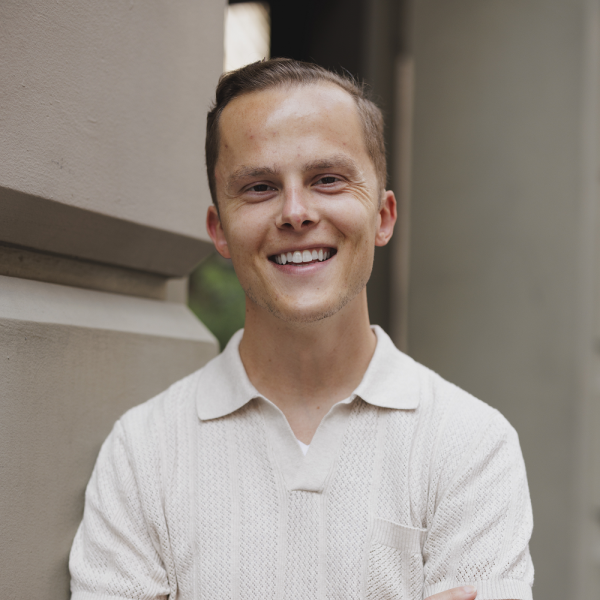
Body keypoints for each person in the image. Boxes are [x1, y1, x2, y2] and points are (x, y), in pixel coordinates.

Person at [69, 58, 534, 600]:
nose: (295, 212)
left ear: (383, 217)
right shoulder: (142, 452)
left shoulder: (471, 443)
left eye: (327, 180)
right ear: (220, 231)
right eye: (260, 187)